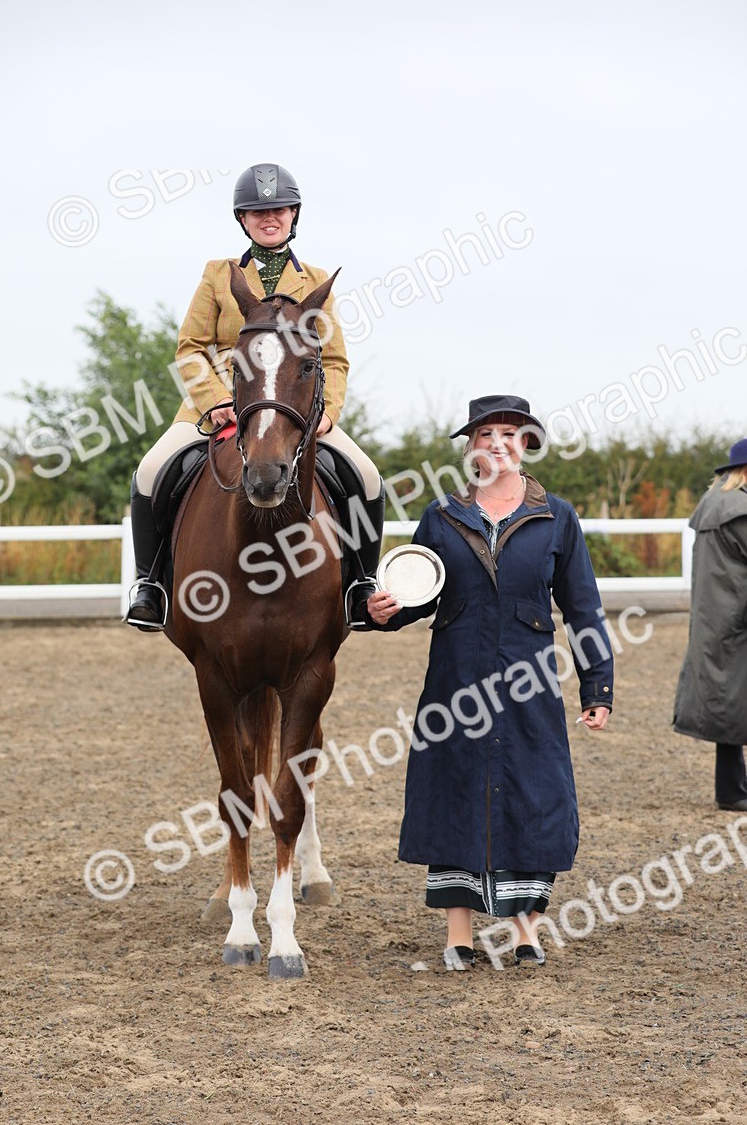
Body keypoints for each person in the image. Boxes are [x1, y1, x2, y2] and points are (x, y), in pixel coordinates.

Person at [364, 394, 613, 969]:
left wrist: (597, 687)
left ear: (527, 443)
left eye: (509, 433)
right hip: (455, 680)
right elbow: (417, 592)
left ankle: (526, 932)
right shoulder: (441, 516)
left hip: (530, 685)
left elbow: (584, 609)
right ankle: (459, 935)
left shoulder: (558, 518)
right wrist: (386, 610)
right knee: (454, 790)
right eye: (485, 434)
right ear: (472, 448)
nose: (497, 443)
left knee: (532, 791)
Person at [126, 162, 383, 631]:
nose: (270, 217)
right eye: (257, 210)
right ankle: (151, 585)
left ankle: (360, 584)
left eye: (279, 209)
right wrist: (213, 400)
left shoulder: (318, 281)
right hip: (220, 403)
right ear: (242, 219)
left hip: (293, 406)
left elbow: (336, 360)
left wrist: (327, 411)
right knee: (149, 472)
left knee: (366, 476)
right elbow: (190, 347)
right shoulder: (217, 274)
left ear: (294, 215)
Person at [673, 438, 747, 811]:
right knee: (733, 700)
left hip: (717, 615)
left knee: (731, 702)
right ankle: (732, 791)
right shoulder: (740, 510)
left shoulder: (714, 502)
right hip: (737, 615)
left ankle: (732, 789)